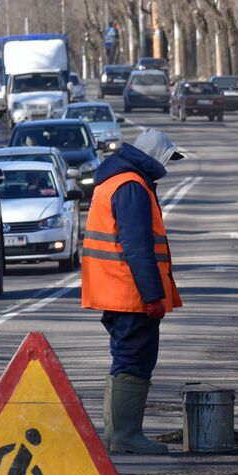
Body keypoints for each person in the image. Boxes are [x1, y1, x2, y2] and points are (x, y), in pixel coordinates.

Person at [81, 143, 182, 454]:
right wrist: (152, 296)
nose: (167, 166)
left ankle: (115, 434)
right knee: (135, 361)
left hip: (115, 290)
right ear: (153, 157)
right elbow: (138, 247)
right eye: (167, 159)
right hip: (130, 293)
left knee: (124, 359)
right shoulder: (132, 186)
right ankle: (126, 436)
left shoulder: (114, 180)